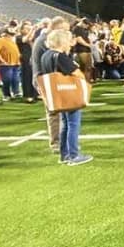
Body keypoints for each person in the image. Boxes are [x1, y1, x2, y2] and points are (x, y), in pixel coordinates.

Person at [39, 29, 92, 166]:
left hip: (57, 94)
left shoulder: (45, 55)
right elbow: (77, 73)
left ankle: (64, 155)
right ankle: (74, 156)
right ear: (62, 41)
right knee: (73, 124)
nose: (70, 44)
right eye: (68, 41)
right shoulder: (60, 56)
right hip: (68, 93)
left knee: (65, 124)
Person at [32, 16, 70, 154]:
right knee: (54, 112)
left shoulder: (45, 39)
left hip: (48, 78)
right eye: (65, 31)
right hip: (45, 79)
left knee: (59, 112)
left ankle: (60, 141)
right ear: (57, 28)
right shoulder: (46, 41)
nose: (67, 35)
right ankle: (56, 143)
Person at [0, 29, 21, 101]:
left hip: (15, 63)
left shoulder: (11, 41)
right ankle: (6, 95)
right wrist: (1, 60)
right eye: (10, 34)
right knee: (7, 80)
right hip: (6, 64)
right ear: (5, 34)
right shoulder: (0, 40)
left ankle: (16, 92)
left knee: (15, 79)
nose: (11, 35)